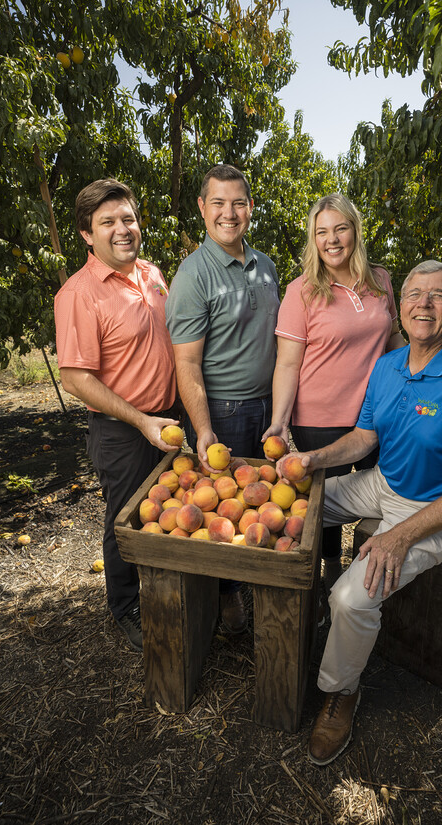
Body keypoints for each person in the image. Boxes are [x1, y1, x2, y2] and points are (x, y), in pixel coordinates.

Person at [276, 261, 442, 766]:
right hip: (385, 485)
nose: (424, 303)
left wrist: (398, 536)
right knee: (300, 500)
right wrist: (313, 461)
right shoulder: (389, 365)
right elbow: (365, 438)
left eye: (438, 295)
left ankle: (342, 694)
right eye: (414, 294)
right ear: (398, 307)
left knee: (351, 598)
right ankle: (281, 606)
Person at [54, 179, 181, 653]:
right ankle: (126, 606)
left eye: (127, 218)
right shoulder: (79, 294)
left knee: (167, 508)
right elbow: (76, 378)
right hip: (122, 430)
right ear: (88, 235)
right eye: (107, 222)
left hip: (168, 418)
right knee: (125, 519)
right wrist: (141, 420)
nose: (121, 229)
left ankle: (167, 591)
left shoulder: (153, 274)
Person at [262, 193, 405, 610]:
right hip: (320, 420)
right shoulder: (302, 291)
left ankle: (370, 579)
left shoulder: (381, 280)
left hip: (377, 420)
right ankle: (326, 575)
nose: (332, 239)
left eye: (340, 228)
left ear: (355, 230)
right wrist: (280, 421)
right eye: (321, 232)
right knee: (323, 508)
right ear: (313, 239)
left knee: (380, 501)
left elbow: (392, 339)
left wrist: (415, 379)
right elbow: (288, 364)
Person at [165, 164, 280, 634]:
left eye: (238, 203)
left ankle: (258, 579)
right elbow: (186, 364)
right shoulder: (194, 274)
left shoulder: (267, 266)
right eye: (218, 203)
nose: (228, 213)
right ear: (202, 208)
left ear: (250, 208)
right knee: (220, 509)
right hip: (224, 413)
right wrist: (204, 428)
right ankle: (228, 595)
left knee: (260, 501)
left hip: (267, 408)